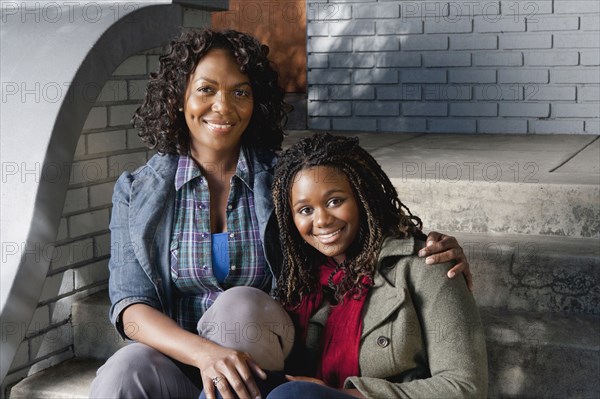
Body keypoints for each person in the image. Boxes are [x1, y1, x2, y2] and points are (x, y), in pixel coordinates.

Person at [90, 29, 473, 399]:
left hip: (260, 352)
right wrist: (205, 355)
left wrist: (432, 249)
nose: (223, 106)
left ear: (255, 102)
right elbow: (130, 307)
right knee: (123, 372)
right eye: (206, 89)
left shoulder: (282, 177)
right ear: (178, 98)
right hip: (182, 356)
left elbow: (358, 224)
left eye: (240, 92)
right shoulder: (137, 191)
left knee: (237, 309)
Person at [263, 133, 488, 398]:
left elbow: (465, 386)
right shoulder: (297, 280)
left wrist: (343, 396)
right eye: (305, 210)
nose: (322, 220)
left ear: (362, 196)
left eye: (335, 201)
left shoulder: (426, 265)